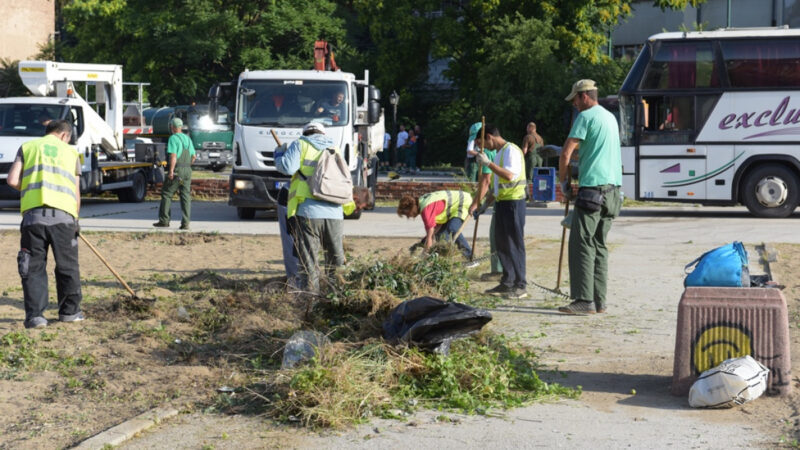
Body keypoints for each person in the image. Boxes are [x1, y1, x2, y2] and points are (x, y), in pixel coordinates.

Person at [6, 120, 84, 329]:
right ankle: (70, 313)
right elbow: (76, 193)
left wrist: (30, 186)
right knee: (67, 266)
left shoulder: (28, 148)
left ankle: (36, 318)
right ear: (64, 136)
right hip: (64, 218)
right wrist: (75, 220)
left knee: (33, 268)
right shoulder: (71, 153)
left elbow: (12, 180)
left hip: (34, 218)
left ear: (48, 132)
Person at [557, 79, 623, 315]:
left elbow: (565, 154)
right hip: (614, 191)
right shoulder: (610, 117)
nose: (574, 104)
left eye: (575, 99)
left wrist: (564, 183)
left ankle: (583, 301)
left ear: (584, 96)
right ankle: (599, 301)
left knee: (582, 244)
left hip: (593, 191)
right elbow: (595, 153)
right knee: (599, 245)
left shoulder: (585, 117)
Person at [275, 122, 350, 294]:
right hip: (335, 213)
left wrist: (279, 155)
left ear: (306, 133)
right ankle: (336, 297)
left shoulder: (300, 144)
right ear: (323, 134)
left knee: (309, 261)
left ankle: (311, 302)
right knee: (335, 260)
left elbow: (287, 167)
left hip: (309, 212)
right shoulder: (334, 148)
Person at [470, 124, 527, 299]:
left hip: (514, 203)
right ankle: (507, 281)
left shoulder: (511, 151)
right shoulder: (501, 153)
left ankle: (520, 285)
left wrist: (488, 163)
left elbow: (509, 176)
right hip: (502, 203)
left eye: (483, 144)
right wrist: (485, 206)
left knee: (513, 243)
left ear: (489, 136)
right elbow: (496, 186)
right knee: (501, 243)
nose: (484, 148)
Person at [397, 190, 473, 259]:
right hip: (453, 206)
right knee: (441, 235)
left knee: (452, 228)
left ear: (411, 208)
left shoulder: (426, 210)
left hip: (462, 202)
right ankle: (441, 259)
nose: (408, 217)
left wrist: (425, 255)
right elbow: (435, 229)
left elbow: (430, 237)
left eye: (406, 213)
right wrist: (422, 243)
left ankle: (469, 256)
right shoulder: (422, 202)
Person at [469, 134, 503, 281]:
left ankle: (499, 271)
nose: (477, 148)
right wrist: (484, 204)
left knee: (497, 235)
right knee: (499, 235)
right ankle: (501, 270)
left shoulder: (488, 153)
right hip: (501, 196)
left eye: (478, 143)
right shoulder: (498, 150)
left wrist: (476, 203)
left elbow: (486, 181)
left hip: (504, 198)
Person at [154, 117, 195, 230]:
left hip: (178, 170)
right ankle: (186, 223)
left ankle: (164, 220)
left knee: (167, 193)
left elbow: (173, 156)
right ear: (181, 127)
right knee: (185, 196)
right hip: (187, 170)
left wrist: (171, 171)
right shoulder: (188, 139)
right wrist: (187, 166)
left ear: (172, 127)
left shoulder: (173, 138)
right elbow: (193, 156)